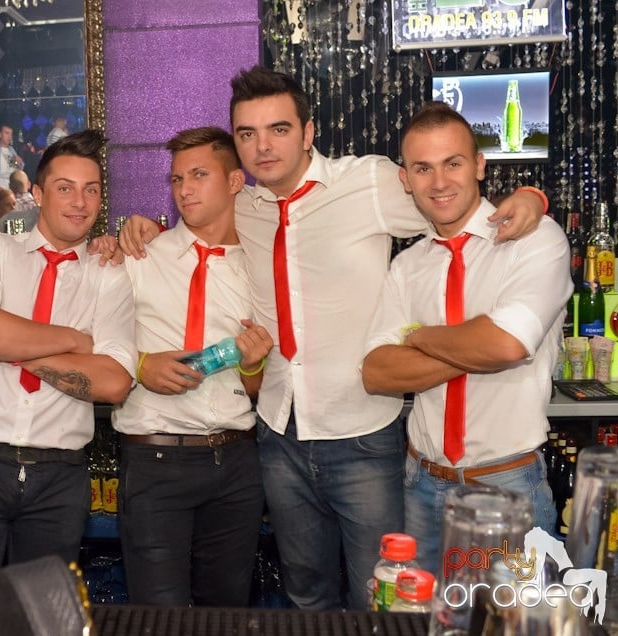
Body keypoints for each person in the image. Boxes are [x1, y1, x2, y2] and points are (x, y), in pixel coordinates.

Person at [118, 66, 548, 610]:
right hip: (278, 435)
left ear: (308, 132)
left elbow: (450, 199)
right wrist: (137, 227)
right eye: (247, 133)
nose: (262, 146)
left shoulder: (367, 183)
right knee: (305, 596)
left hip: (362, 434)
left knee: (381, 596)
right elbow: (194, 221)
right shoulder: (246, 206)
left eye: (278, 129)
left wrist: (531, 197)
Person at [361, 102, 570, 572]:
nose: (439, 182)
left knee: (512, 613)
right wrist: (477, 344)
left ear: (479, 165)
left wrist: (419, 337)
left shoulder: (536, 240)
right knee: (422, 613)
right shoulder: (407, 266)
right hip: (421, 486)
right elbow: (377, 373)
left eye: (452, 163)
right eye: (423, 168)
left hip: (506, 487)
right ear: (406, 179)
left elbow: (506, 345)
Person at [0, 129, 136, 587]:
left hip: (59, 478)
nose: (79, 202)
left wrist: (11, 348)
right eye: (65, 188)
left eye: (91, 190)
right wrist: (75, 341)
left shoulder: (108, 275)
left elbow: (114, 382)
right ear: (38, 194)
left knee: (41, 613)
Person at [113, 126, 273, 606]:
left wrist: (252, 368)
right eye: (177, 178)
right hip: (154, 460)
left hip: (236, 462)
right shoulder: (138, 256)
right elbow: (93, 343)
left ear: (234, 182)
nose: (184, 189)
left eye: (199, 175)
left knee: (226, 613)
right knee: (158, 616)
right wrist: (140, 365)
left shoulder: (261, 271)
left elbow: (263, 390)